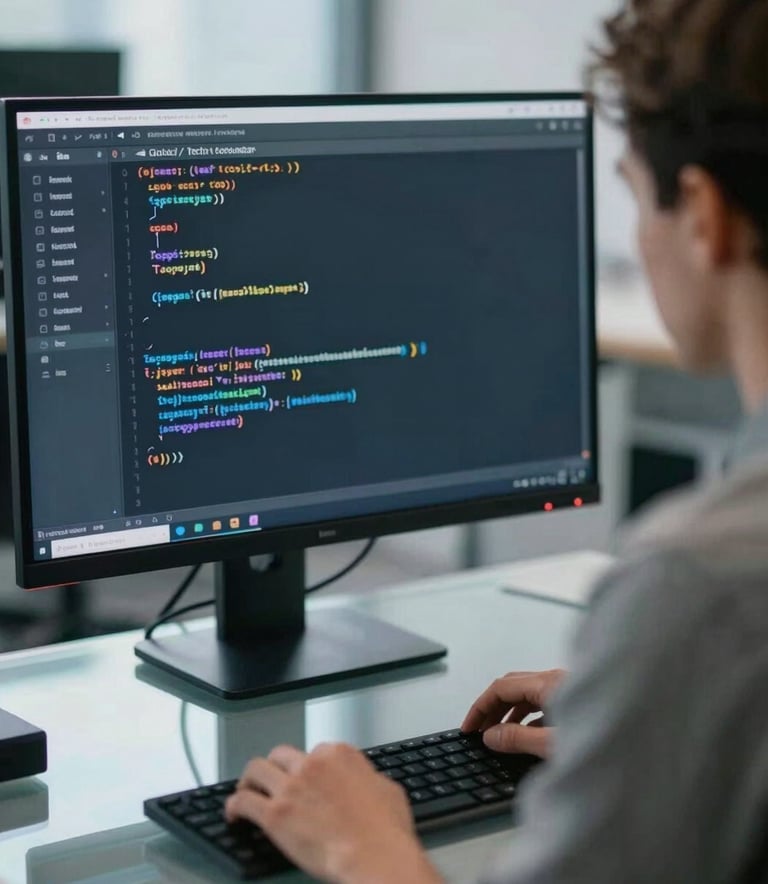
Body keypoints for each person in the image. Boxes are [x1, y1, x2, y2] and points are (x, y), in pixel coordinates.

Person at [224, 0, 768, 880]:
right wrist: (645, 710)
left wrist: (364, 846)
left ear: (703, 214)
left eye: (632, 197)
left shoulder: (698, 584)